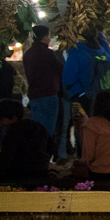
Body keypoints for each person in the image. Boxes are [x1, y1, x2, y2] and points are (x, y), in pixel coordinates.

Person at [22, 25, 64, 156]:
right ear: (45, 37)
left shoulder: (28, 54)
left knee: (36, 129)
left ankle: (35, 156)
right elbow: (61, 70)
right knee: (48, 130)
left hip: (34, 95)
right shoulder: (47, 53)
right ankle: (44, 158)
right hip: (48, 94)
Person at [0, 98, 51, 184]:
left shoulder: (13, 132)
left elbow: (5, 159)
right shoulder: (38, 127)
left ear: (14, 118)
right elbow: (51, 147)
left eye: (1, 119)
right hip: (41, 173)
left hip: (19, 176)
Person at [62, 25, 110, 114]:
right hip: (103, 97)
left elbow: (68, 79)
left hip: (83, 97)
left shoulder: (76, 51)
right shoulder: (103, 51)